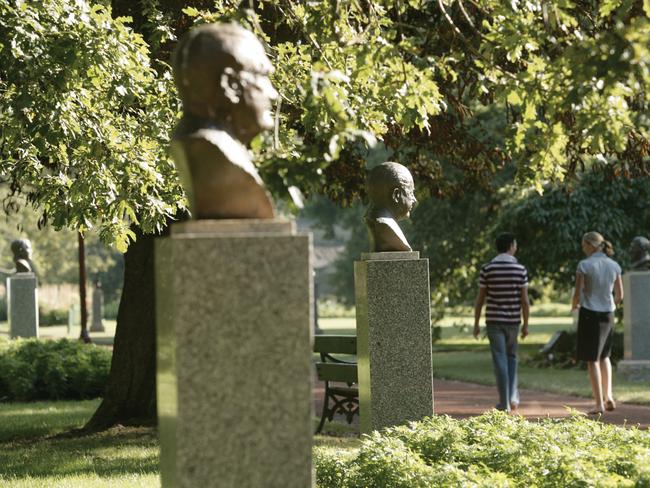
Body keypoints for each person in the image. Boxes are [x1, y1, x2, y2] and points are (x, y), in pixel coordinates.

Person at [171, 23, 279, 219]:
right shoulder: (212, 150)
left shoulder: (199, 144)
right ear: (230, 85)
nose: (273, 94)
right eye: (262, 76)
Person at [474, 232, 530, 412]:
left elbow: (480, 299)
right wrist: (526, 324)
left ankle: (504, 402)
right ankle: (512, 397)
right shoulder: (520, 270)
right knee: (512, 358)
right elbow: (525, 301)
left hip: (494, 321)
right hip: (513, 321)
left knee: (499, 360)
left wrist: (476, 323)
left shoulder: (487, 269)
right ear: (511, 246)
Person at [571, 231, 623, 414]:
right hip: (608, 314)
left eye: (584, 245)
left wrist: (574, 305)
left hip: (589, 314)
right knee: (605, 356)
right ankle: (608, 396)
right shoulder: (614, 265)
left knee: (591, 359)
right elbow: (619, 295)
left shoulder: (584, 265)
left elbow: (578, 293)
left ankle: (598, 404)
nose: (582, 249)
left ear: (591, 245)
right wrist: (609, 304)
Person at [364, 162, 417, 252]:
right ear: (396, 195)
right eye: (410, 193)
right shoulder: (383, 224)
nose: (414, 200)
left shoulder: (374, 221)